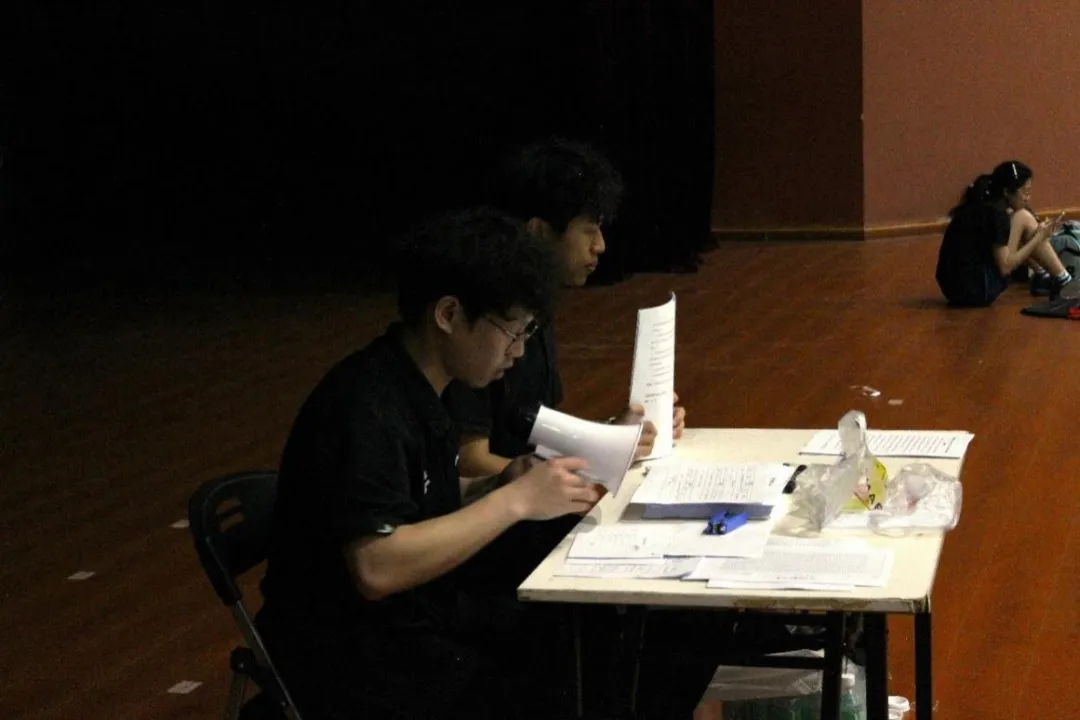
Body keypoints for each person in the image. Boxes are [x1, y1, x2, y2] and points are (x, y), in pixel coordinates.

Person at [256, 207, 602, 719]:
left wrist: (500, 483)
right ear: (448, 314)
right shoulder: (365, 407)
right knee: (562, 680)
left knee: (576, 640)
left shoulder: (425, 386)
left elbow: (417, 501)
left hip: (415, 618)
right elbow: (376, 566)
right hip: (351, 654)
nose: (518, 352)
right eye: (512, 332)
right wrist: (514, 501)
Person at [936, 160, 1072, 306]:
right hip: (978, 291)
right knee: (1024, 217)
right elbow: (1005, 267)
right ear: (1007, 192)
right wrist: (1039, 237)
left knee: (1022, 221)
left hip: (952, 289)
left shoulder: (984, 202)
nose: (1028, 198)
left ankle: (1044, 276)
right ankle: (1065, 282)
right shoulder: (997, 214)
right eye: (1025, 192)